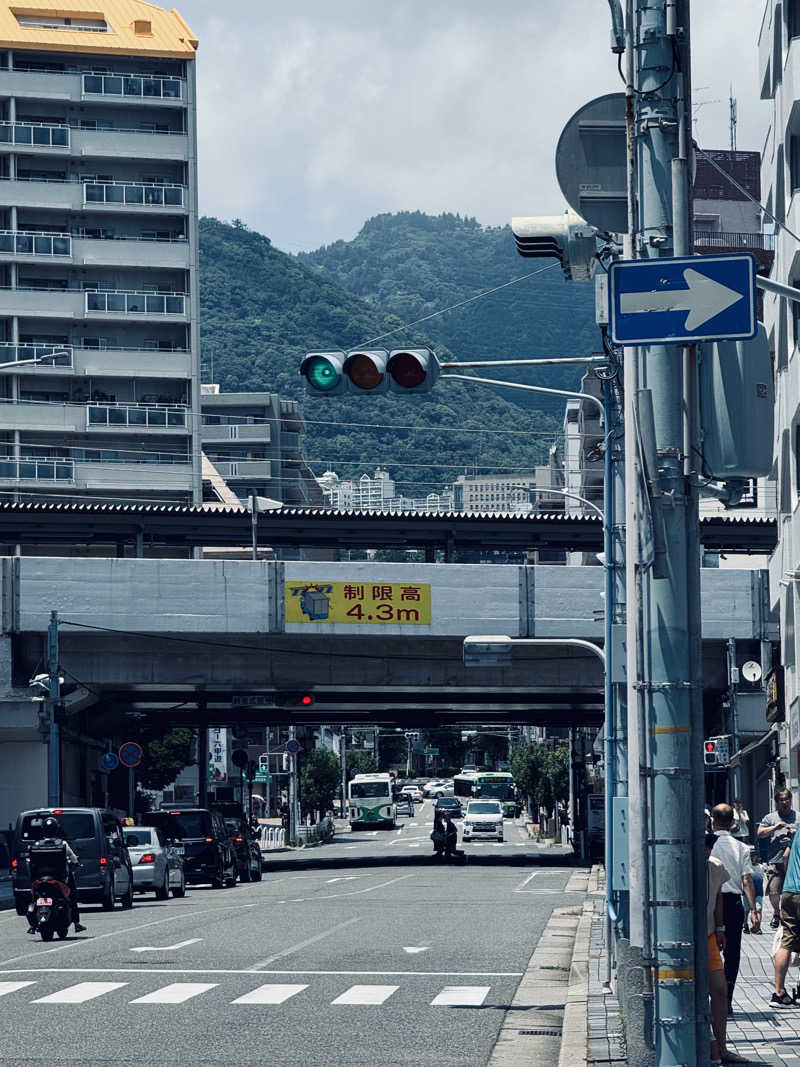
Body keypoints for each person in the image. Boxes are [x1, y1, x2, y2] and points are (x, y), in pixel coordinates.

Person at [711, 803, 759, 1015]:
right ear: (732, 823)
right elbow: (746, 880)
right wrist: (754, 909)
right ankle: (727, 998)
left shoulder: (706, 844)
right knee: (732, 954)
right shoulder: (741, 848)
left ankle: (711, 997)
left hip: (710, 903)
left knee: (708, 950)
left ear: (712, 821)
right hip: (733, 903)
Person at [706, 833, 746, 1063]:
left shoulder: (715, 867)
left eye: (709, 848)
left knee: (720, 990)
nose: (706, 852)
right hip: (686, 940)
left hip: (709, 935)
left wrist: (720, 927)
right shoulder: (681, 866)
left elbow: (719, 896)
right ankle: (711, 1047)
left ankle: (721, 1047)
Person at [29, 816, 85, 935]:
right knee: (73, 895)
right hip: (59, 879)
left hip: (39, 880)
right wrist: (76, 863)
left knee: (33, 897)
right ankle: (76, 923)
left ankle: (33, 926)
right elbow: (73, 858)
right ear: (56, 829)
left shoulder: (37, 844)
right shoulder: (63, 843)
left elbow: (30, 862)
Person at [772, 804, 800, 1007]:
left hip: (789, 891)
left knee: (787, 940)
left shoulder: (797, 832)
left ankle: (779, 992)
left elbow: (786, 857)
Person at [758, 788, 798, 927]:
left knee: (794, 891)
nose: (785, 802)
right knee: (774, 890)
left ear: (791, 800)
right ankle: (776, 913)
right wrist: (775, 828)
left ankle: (792, 915)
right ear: (776, 802)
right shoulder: (770, 818)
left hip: (794, 862)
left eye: (787, 799)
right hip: (776, 860)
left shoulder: (798, 817)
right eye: (781, 800)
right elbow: (760, 833)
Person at [742, 848, 763, 935]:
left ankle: (757, 927)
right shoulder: (745, 867)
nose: (752, 858)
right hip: (746, 892)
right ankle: (745, 924)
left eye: (753, 856)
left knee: (758, 909)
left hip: (758, 892)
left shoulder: (760, 867)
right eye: (750, 856)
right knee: (746, 910)